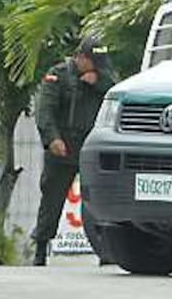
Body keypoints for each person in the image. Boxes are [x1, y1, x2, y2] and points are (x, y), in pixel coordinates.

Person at [34, 35, 117, 266]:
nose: (97, 66)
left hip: (90, 149)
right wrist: (52, 139)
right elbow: (45, 111)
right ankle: (41, 248)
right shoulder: (58, 75)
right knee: (52, 200)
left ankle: (106, 251)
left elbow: (117, 91)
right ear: (81, 57)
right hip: (63, 148)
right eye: (93, 62)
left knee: (97, 202)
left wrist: (98, 81)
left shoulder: (104, 75)